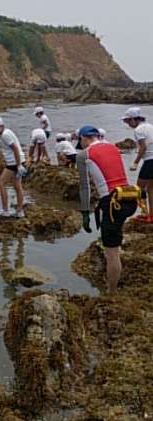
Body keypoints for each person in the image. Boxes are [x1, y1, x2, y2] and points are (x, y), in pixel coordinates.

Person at [76, 125, 138, 294]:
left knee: (111, 253)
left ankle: (112, 293)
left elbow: (84, 187)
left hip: (113, 204)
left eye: (80, 141)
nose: (80, 145)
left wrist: (85, 213)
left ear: (84, 138)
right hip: (130, 198)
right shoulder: (114, 147)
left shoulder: (83, 155)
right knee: (114, 238)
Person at [0, 115, 26, 217]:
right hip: (17, 162)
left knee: (2, 183)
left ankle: (5, 210)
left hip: (14, 163)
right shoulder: (6, 132)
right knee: (17, 186)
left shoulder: (5, 135)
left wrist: (18, 166)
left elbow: (15, 149)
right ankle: (20, 211)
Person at [122, 107, 153, 222]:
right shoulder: (150, 126)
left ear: (133, 119)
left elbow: (143, 147)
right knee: (151, 188)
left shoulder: (138, 130)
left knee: (139, 188)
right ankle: (151, 215)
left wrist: (135, 162)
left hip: (150, 160)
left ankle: (144, 213)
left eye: (128, 121)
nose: (128, 124)